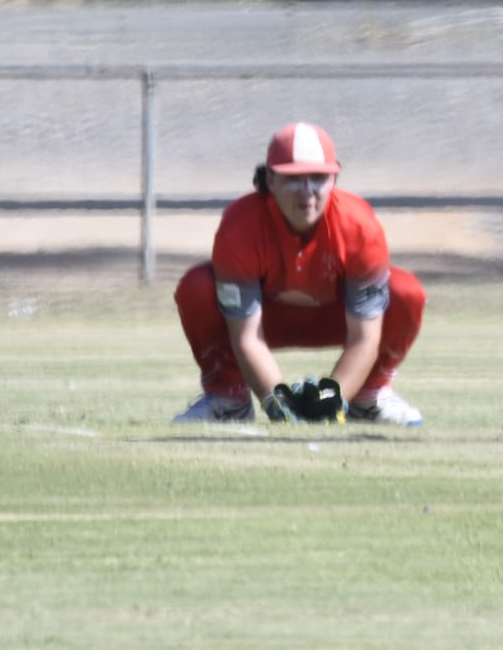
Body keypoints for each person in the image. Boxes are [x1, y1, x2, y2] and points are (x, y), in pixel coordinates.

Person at [172, 122, 426, 426]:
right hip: (261, 323)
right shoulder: (240, 227)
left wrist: (335, 397)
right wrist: (276, 399)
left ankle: (368, 398)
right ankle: (229, 399)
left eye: (318, 178)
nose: (307, 192)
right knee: (197, 286)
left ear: (334, 179)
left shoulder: (359, 226)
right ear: (270, 179)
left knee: (405, 291)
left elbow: (364, 339)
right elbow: (247, 337)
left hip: (338, 321)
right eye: (293, 179)